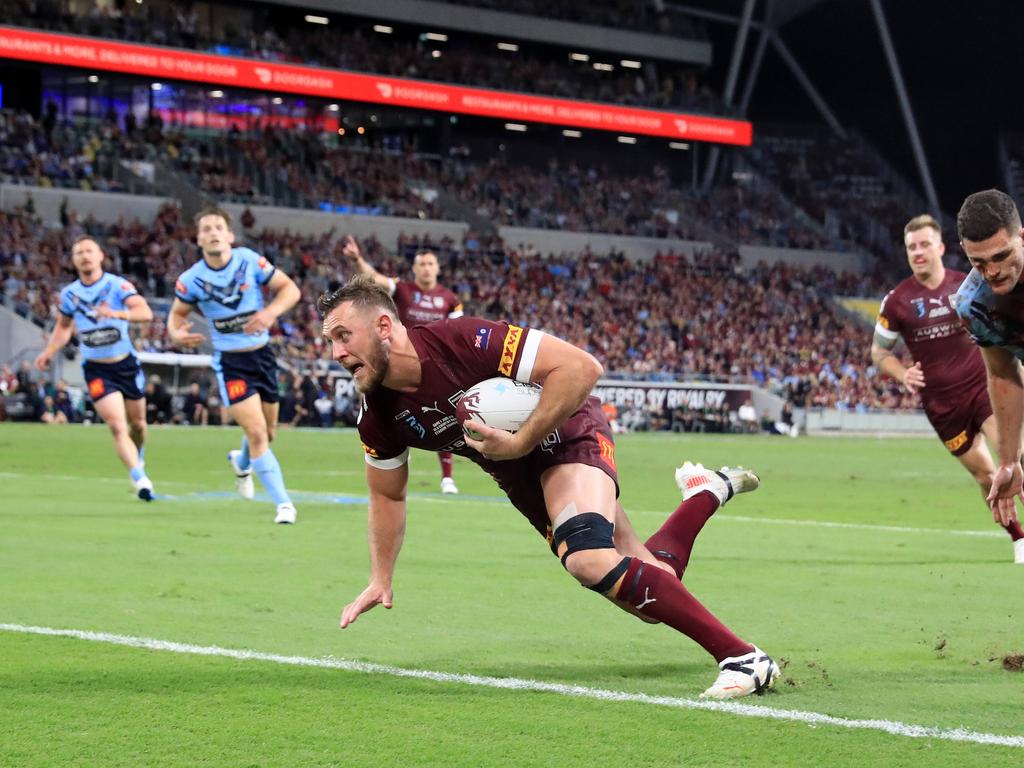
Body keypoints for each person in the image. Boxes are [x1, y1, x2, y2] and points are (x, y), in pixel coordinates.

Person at [320, 275, 779, 699]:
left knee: (587, 559)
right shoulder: (376, 414)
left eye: (343, 336)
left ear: (384, 325)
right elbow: (387, 494)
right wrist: (380, 577)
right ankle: (703, 494)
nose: (336, 352)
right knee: (649, 595)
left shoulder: (461, 339)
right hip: (518, 475)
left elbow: (581, 368)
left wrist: (522, 439)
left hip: (566, 431)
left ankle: (743, 658)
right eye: (330, 342)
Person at [874, 213, 1024, 563]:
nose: (918, 251)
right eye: (911, 246)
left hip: (982, 390)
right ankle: (1018, 537)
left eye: (925, 243)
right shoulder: (896, 301)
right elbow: (879, 352)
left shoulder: (970, 288)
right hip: (942, 407)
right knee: (986, 475)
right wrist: (902, 374)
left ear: (941, 247)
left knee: (1014, 457)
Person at [167, 205, 301, 524]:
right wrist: (175, 333)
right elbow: (176, 315)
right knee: (256, 433)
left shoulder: (249, 261)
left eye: (217, 227)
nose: (212, 233)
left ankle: (241, 463)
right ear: (198, 239)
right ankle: (284, 504)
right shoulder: (191, 280)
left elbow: (290, 289)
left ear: (229, 235)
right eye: (205, 229)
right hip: (231, 364)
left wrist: (270, 314)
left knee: (268, 434)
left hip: (263, 356)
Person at [34, 235, 156, 500]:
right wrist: (49, 352)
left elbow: (145, 312)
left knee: (138, 425)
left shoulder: (117, 285)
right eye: (79, 253)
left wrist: (118, 314)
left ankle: (139, 458)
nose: (84, 256)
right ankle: (140, 478)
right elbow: (64, 327)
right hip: (97, 369)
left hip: (125, 363)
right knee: (116, 425)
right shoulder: (70, 294)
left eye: (89, 251)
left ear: (100, 255)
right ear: (73, 260)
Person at [343, 235, 465, 495]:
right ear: (414, 268)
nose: (426, 268)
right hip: (397, 362)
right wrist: (357, 260)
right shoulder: (404, 289)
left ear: (438, 268)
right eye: (421, 264)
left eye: (430, 264)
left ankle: (447, 477)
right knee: (388, 411)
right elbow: (374, 279)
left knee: (443, 414)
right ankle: (394, 456)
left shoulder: (449, 298)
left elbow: (457, 331)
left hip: (434, 365)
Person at [954, 190, 1024, 545]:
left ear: (1021, 237)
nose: (992, 271)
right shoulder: (974, 306)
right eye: (978, 263)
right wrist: (1009, 461)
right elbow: (1003, 373)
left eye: (1002, 255)